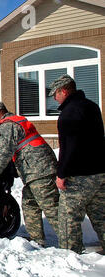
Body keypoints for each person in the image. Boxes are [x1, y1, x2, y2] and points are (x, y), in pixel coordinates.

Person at [0, 102, 59, 247]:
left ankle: (71, 245)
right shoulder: (14, 121)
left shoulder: (6, 126)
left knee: (51, 207)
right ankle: (37, 239)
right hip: (34, 170)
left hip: (39, 170)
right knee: (29, 203)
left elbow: (4, 153)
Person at [48, 74, 104, 254]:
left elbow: (69, 147)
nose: (54, 98)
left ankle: (70, 258)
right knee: (101, 217)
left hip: (79, 177)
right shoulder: (92, 107)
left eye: (55, 94)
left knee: (68, 219)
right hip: (99, 173)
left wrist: (61, 174)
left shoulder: (69, 113)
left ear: (64, 91)